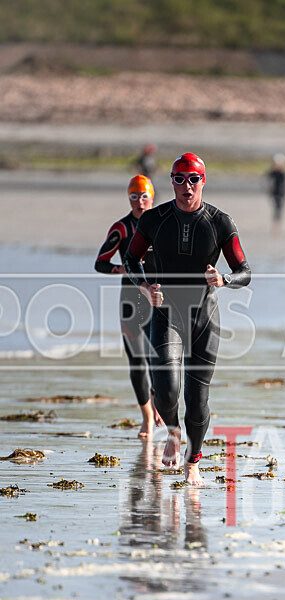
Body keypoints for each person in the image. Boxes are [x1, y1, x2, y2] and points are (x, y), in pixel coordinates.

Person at [124, 152, 251, 484]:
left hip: (204, 318)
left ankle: (192, 462)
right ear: (172, 181)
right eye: (179, 179)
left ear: (203, 181)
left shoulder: (220, 222)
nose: (187, 186)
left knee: (198, 401)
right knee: (166, 392)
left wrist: (224, 279)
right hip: (165, 314)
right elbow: (131, 259)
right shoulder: (154, 220)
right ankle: (173, 431)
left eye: (193, 179)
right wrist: (145, 286)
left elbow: (245, 272)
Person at [94, 175, 163, 438]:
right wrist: (122, 268)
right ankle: (146, 417)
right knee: (137, 360)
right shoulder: (121, 228)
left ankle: (159, 403)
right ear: (129, 198)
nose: (139, 201)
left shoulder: (161, 224)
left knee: (158, 358)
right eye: (134, 196)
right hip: (130, 300)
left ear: (152, 197)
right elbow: (100, 262)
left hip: (156, 297)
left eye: (144, 196)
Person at [265, 153, 285, 233]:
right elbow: (267, 180)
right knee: (276, 210)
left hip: (281, 195)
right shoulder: (272, 173)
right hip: (274, 194)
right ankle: (275, 226)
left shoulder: (283, 174)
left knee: (279, 210)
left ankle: (277, 226)